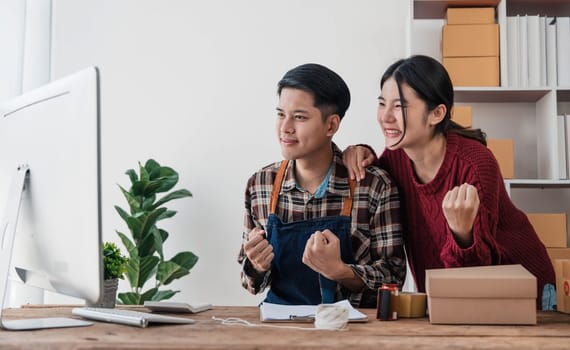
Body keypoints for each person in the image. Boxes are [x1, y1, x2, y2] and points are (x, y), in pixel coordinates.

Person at [342, 55, 556, 309]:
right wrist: (359, 151)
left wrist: (462, 233)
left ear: (436, 113)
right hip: (454, 299)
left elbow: (477, 275)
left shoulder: (475, 164)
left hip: (524, 289)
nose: (385, 116)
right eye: (381, 103)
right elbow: (377, 171)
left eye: (399, 106)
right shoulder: (396, 157)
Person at [238, 63, 406, 308]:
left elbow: (393, 278)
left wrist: (340, 271)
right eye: (280, 114)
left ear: (331, 125)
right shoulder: (260, 185)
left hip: (351, 334)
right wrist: (255, 266)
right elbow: (249, 282)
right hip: (279, 329)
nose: (285, 127)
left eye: (299, 117)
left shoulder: (373, 186)